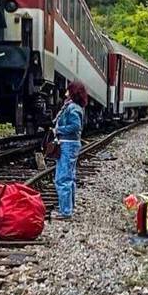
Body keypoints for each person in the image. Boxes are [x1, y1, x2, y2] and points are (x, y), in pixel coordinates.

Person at [52, 81, 88, 219]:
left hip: (67, 144)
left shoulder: (72, 108)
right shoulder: (75, 106)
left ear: (73, 91)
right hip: (71, 144)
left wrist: (58, 130)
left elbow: (75, 126)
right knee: (70, 177)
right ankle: (69, 207)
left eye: (68, 89)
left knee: (62, 178)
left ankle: (65, 211)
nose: (65, 91)